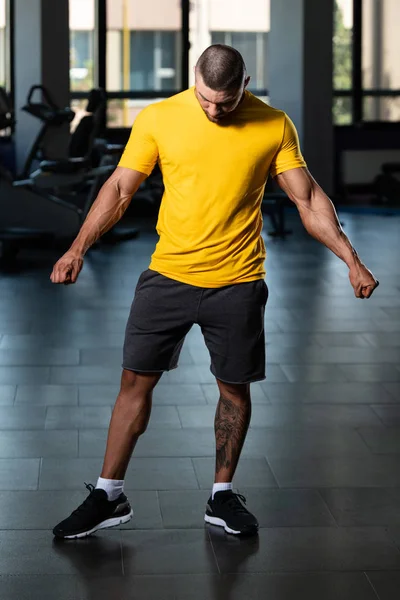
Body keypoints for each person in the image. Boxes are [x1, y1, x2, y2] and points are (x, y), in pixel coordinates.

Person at [50, 45, 379, 539]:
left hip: (239, 281)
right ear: (194, 80)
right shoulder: (160, 118)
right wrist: (77, 248)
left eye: (224, 103)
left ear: (245, 84)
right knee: (134, 385)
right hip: (168, 276)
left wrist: (352, 260)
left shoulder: (273, 124)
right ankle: (108, 493)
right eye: (205, 100)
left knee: (234, 391)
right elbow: (120, 189)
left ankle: (222, 496)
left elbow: (307, 198)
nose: (213, 111)